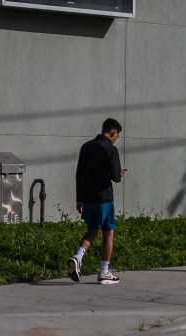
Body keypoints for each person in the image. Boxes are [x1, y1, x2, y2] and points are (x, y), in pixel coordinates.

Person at [67, 117, 127, 285]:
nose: (116, 140)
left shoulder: (86, 147)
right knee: (108, 233)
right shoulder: (110, 150)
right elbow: (115, 177)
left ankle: (78, 256)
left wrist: (80, 199)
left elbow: (79, 174)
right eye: (117, 136)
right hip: (104, 198)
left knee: (92, 231)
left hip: (87, 198)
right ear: (113, 132)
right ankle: (104, 272)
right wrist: (120, 174)